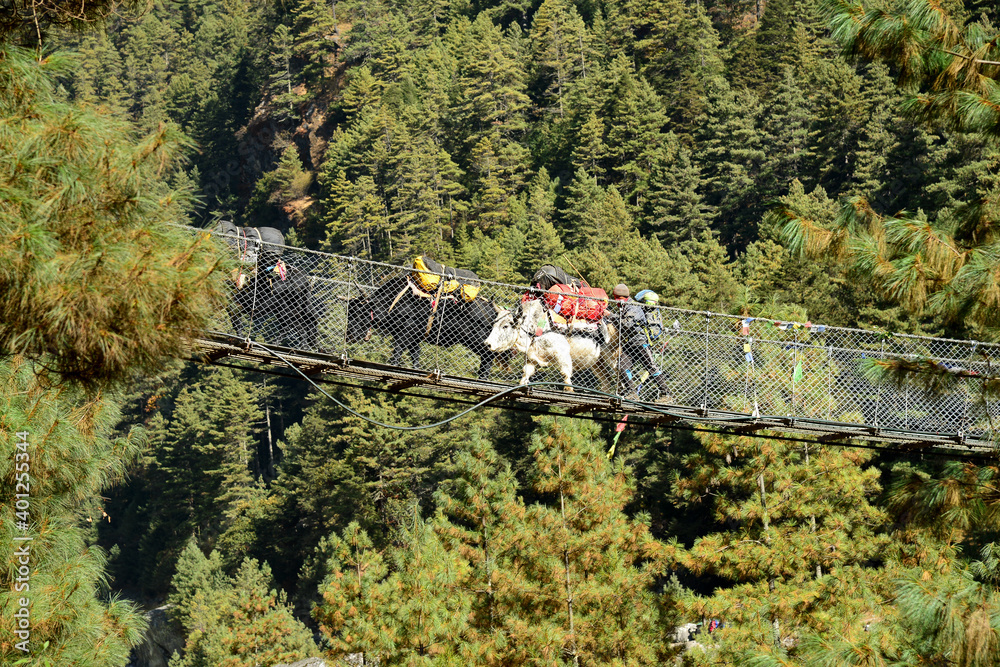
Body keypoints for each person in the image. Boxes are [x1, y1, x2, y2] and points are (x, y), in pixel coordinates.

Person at [608, 283, 670, 400]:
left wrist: (610, 315)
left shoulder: (633, 307)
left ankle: (666, 394)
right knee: (622, 366)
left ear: (619, 298)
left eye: (616, 298)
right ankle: (632, 392)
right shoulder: (625, 306)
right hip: (630, 344)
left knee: (650, 367)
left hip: (641, 342)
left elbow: (626, 324)